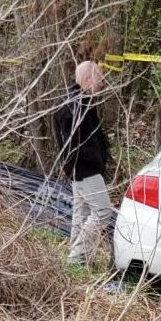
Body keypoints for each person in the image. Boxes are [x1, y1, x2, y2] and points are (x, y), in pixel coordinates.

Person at [53, 61, 112, 265]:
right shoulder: (74, 106)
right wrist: (93, 158)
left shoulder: (78, 101)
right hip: (85, 169)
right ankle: (76, 256)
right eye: (100, 78)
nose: (102, 83)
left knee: (81, 213)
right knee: (103, 212)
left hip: (79, 169)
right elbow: (73, 145)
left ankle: (76, 260)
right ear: (87, 78)